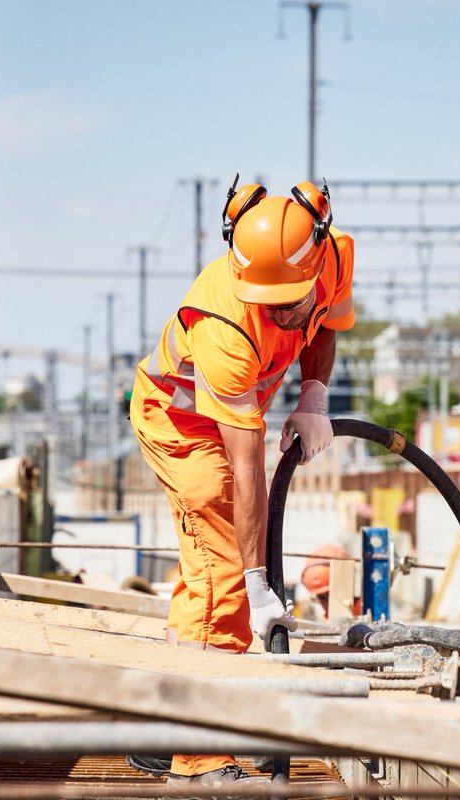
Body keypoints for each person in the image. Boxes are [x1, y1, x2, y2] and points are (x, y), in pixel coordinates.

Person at [128, 176, 355, 792]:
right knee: (224, 568)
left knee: (209, 570)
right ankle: (199, 761)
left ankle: (165, 729)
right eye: (269, 302)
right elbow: (248, 468)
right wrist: (258, 585)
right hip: (179, 422)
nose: (279, 314)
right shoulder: (225, 325)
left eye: (291, 301)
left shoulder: (330, 257)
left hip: (228, 417)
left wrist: (314, 393)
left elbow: (328, 319)